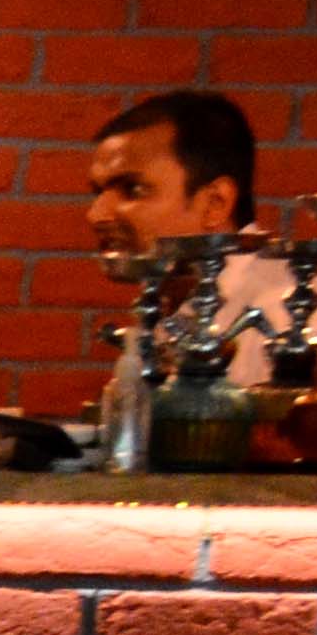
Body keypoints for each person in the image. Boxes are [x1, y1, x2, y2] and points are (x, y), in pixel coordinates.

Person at [84, 87, 292, 461]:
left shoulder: (286, 310)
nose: (96, 214)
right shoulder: (174, 300)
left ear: (215, 202)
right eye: (98, 192)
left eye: (132, 189)